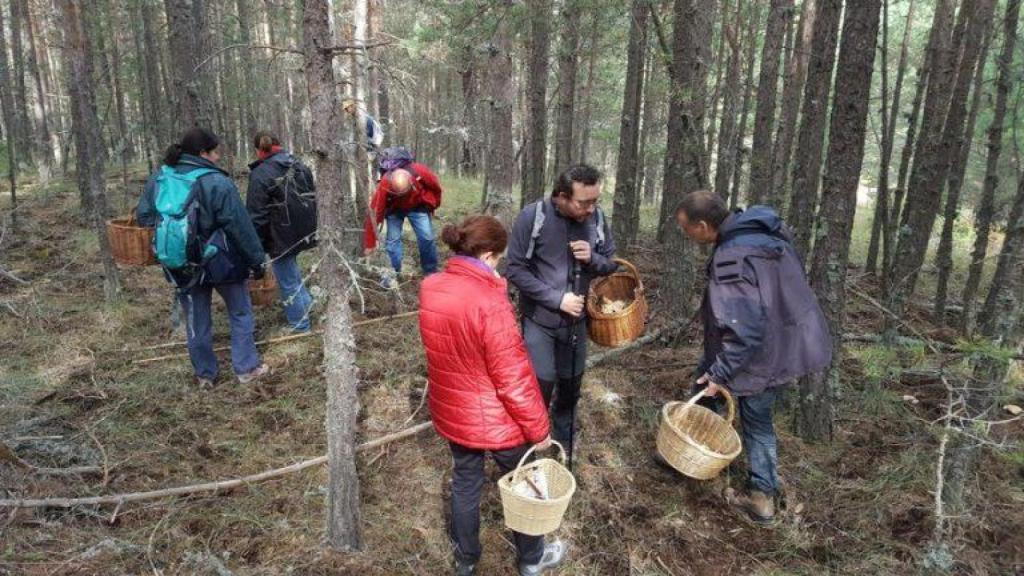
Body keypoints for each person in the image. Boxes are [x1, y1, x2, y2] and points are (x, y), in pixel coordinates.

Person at [419, 214, 567, 576]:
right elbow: (513, 378)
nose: (498, 267)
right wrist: (538, 429)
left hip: (454, 411)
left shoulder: (431, 287)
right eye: (498, 259)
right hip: (497, 418)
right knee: (526, 479)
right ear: (487, 255)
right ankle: (532, 558)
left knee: (465, 482)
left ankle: (465, 558)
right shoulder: (489, 303)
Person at [674, 190, 832, 524]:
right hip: (781, 338)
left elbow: (743, 330)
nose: (686, 235)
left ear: (703, 226)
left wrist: (720, 374)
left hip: (759, 353)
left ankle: (762, 496)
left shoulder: (732, 258)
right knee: (702, 388)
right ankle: (685, 451)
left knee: (755, 417)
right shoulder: (760, 231)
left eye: (686, 229)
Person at [136, 128, 269, 388]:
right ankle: (247, 368)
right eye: (215, 152)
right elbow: (239, 226)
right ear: (202, 153)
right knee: (240, 312)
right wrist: (257, 260)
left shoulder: (160, 178)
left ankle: (205, 375)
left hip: (182, 264)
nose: (218, 157)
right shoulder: (217, 182)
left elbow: (144, 217)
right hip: (224, 262)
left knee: (196, 321)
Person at [506, 164, 618, 469]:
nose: (590, 209)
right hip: (539, 322)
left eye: (595, 201)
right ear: (561, 196)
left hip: (577, 325)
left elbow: (611, 262)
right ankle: (529, 454)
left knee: (570, 390)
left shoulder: (597, 218)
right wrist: (557, 299)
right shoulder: (534, 217)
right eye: (583, 202)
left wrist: (593, 258)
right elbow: (515, 269)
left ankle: (564, 451)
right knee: (539, 389)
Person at [246, 131, 317, 333]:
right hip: (303, 230)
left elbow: (256, 214)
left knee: (287, 281)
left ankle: (300, 325)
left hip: (280, 235)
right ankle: (307, 306)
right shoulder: (298, 164)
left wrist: (256, 247)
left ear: (258, 150)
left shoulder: (260, 173)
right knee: (291, 274)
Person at [362, 161, 442, 286]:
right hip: (394, 208)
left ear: (411, 183)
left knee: (427, 238)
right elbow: (375, 214)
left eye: (404, 193)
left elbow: (436, 188)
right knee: (392, 241)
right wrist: (369, 243)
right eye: (399, 193)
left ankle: (430, 272)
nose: (402, 195)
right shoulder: (385, 184)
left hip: (417, 205)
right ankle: (394, 274)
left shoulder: (419, 171)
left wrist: (433, 206)